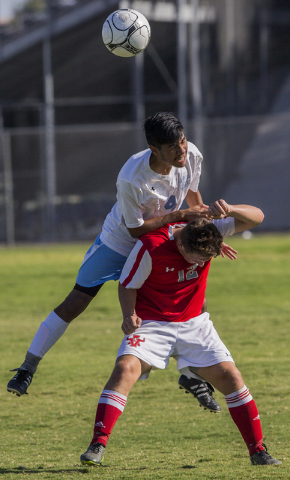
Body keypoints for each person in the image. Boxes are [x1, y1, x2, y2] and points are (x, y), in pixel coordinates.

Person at [7, 112, 235, 412]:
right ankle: (28, 367)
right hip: (118, 243)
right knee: (75, 302)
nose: (182, 151)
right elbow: (135, 229)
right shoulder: (131, 176)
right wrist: (180, 217)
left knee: (191, 306)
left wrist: (202, 232)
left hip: (161, 241)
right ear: (155, 149)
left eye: (183, 141)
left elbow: (192, 195)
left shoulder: (191, 154)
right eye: (173, 147)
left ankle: (191, 375)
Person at [80, 199, 281, 467]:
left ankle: (258, 451)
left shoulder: (208, 230)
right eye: (196, 257)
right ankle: (98, 443)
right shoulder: (151, 246)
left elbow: (257, 216)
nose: (200, 263)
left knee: (232, 376)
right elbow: (127, 285)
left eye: (206, 258)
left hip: (195, 324)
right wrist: (129, 315)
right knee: (124, 369)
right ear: (181, 244)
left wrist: (230, 209)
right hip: (151, 323)